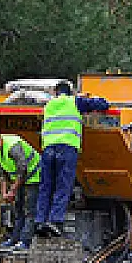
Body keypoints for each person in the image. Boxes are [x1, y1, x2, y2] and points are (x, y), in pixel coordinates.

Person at [35, 81, 108, 237]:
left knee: (46, 187)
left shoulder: (49, 104)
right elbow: (102, 105)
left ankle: (40, 221)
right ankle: (55, 222)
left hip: (48, 149)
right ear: (71, 92)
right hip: (66, 148)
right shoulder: (75, 101)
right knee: (63, 186)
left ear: (56, 92)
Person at [0, 129, 40, 249]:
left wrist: (12, 191)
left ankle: (25, 242)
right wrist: (5, 193)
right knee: (18, 211)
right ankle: (14, 239)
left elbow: (22, 169)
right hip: (21, 180)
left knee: (29, 211)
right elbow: (4, 173)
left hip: (35, 177)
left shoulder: (13, 146)